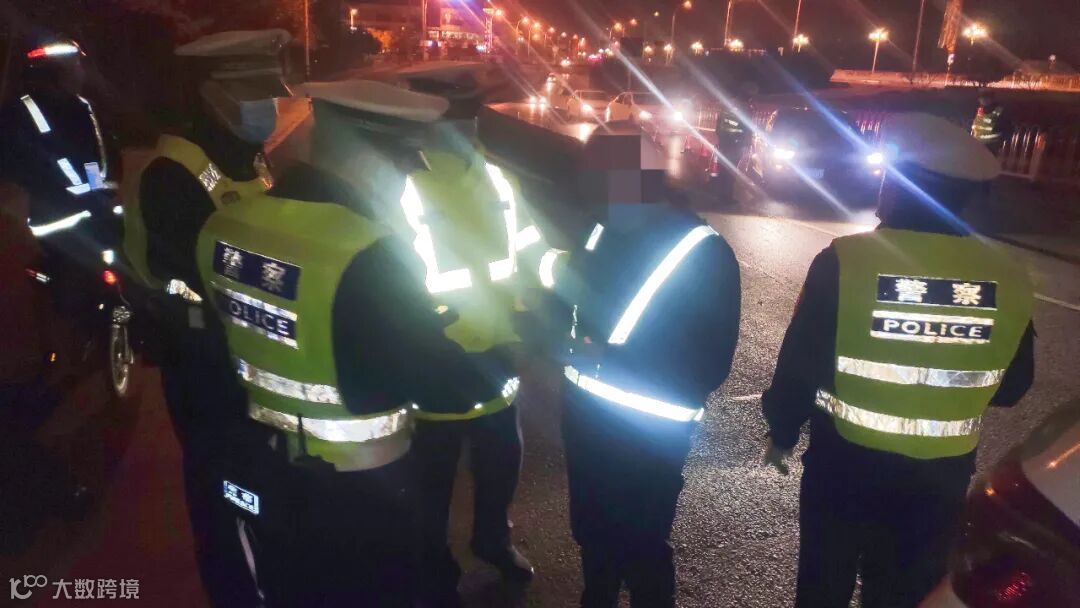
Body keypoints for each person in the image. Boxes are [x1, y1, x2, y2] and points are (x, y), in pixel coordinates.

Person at [195, 78, 489, 606]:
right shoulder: (369, 252)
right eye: (400, 167)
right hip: (362, 492)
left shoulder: (226, 225)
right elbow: (442, 386)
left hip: (263, 468)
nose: (402, 183)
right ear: (369, 161)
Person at [762, 113, 1036, 608]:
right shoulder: (1008, 275)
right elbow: (1014, 386)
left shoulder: (846, 260)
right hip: (940, 480)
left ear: (896, 186)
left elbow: (801, 364)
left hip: (844, 466)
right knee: (902, 594)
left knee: (824, 586)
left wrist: (782, 431)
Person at [484, 110, 741, 606]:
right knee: (594, 540)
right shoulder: (601, 230)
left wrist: (605, 358)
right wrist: (541, 331)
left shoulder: (703, 252)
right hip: (587, 422)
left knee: (642, 549)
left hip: (650, 436)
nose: (597, 203)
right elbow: (569, 303)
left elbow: (710, 364)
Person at [119, 29, 290, 607]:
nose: (265, 107)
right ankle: (234, 593)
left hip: (250, 355)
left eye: (268, 92)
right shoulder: (172, 173)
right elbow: (198, 273)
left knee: (264, 491)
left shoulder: (245, 154)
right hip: (203, 362)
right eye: (250, 94)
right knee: (224, 494)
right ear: (210, 95)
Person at [391, 63, 539, 605]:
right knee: (430, 478)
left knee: (501, 463)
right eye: (451, 115)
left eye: (469, 114)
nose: (463, 125)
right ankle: (432, 567)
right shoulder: (399, 185)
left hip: (495, 351)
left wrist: (552, 294)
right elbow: (386, 274)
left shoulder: (499, 179)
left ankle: (492, 543)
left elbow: (528, 249)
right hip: (433, 355)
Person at [711, 81, 757, 204]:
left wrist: (721, 137)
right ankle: (726, 197)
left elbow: (719, 123)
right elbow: (746, 127)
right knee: (730, 170)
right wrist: (747, 142)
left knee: (724, 168)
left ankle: (720, 195)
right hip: (736, 143)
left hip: (725, 141)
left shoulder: (728, 105)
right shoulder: (744, 108)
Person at [970, 89, 1011, 155]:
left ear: (991, 99)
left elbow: (1007, 128)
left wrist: (1000, 142)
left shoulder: (999, 111)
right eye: (982, 97)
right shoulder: (978, 110)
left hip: (992, 146)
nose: (984, 100)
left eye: (986, 97)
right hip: (977, 144)